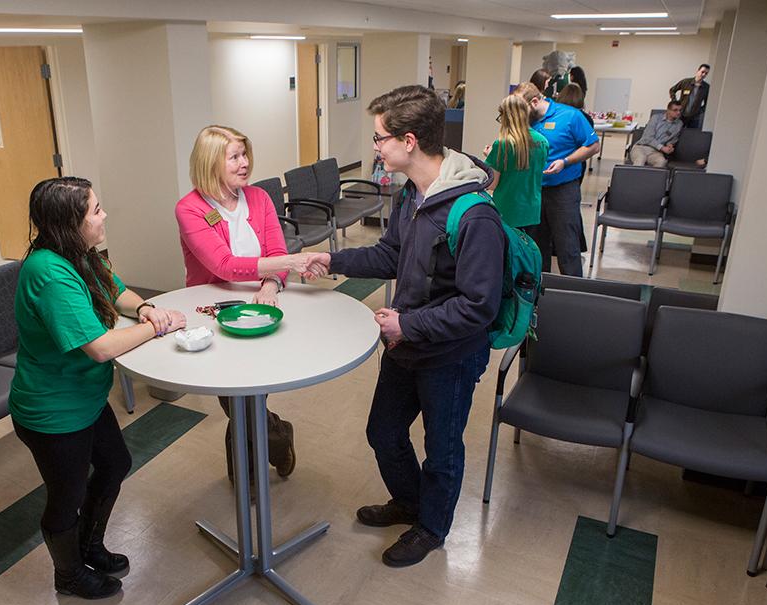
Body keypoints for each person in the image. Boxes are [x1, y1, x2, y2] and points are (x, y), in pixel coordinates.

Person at [300, 85, 505, 568]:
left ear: (408, 140)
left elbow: (480, 305)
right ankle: (410, 503)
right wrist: (330, 257)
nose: (374, 147)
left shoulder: (474, 215)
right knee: (384, 432)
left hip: (449, 354)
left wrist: (407, 323)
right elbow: (391, 254)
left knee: (442, 448)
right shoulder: (412, 194)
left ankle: (431, 528)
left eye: (379, 138)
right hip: (407, 341)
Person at [10, 177, 187, 599]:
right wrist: (155, 326)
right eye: (96, 211)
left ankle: (89, 546)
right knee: (65, 496)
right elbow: (101, 347)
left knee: (114, 464)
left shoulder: (80, 255)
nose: (104, 216)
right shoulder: (49, 273)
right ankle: (68, 575)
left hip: (84, 398)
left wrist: (145, 307)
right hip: (52, 411)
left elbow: (118, 291)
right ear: (71, 223)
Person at [175, 125, 309, 485]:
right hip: (213, 313)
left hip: (260, 309)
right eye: (234, 156)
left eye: (245, 154)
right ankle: (277, 440)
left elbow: (277, 252)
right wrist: (289, 266)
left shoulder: (260, 198)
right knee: (234, 398)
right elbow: (223, 265)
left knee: (250, 395)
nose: (244, 163)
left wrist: (271, 282)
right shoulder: (190, 209)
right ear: (210, 162)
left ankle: (244, 482)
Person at [514, 81, 600, 276]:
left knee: (567, 247)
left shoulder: (570, 116)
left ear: (534, 101)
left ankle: (574, 296)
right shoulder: (527, 121)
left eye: (523, 109)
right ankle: (538, 296)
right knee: (536, 247)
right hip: (534, 191)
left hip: (563, 191)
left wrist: (566, 161)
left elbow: (593, 146)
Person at [484, 94, 549, 232]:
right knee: (526, 251)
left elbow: (492, 184)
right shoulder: (543, 141)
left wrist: (490, 157)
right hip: (532, 210)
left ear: (506, 117)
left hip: (507, 211)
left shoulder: (502, 144)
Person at [628, 101, 684, 168]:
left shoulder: (679, 124)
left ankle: (651, 178)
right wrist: (662, 148)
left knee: (661, 161)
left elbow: (673, 139)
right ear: (668, 110)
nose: (678, 112)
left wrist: (670, 145)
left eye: (680, 110)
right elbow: (648, 137)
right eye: (675, 110)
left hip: (655, 152)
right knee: (641, 159)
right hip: (641, 147)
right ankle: (634, 178)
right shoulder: (656, 118)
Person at [670, 64, 710, 129]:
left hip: (694, 117)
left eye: (706, 73)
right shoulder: (686, 82)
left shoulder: (706, 87)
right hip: (681, 114)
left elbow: (707, 102)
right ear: (698, 71)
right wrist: (675, 102)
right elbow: (672, 90)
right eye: (702, 72)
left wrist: (700, 111)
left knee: (690, 136)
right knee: (675, 132)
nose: (703, 75)